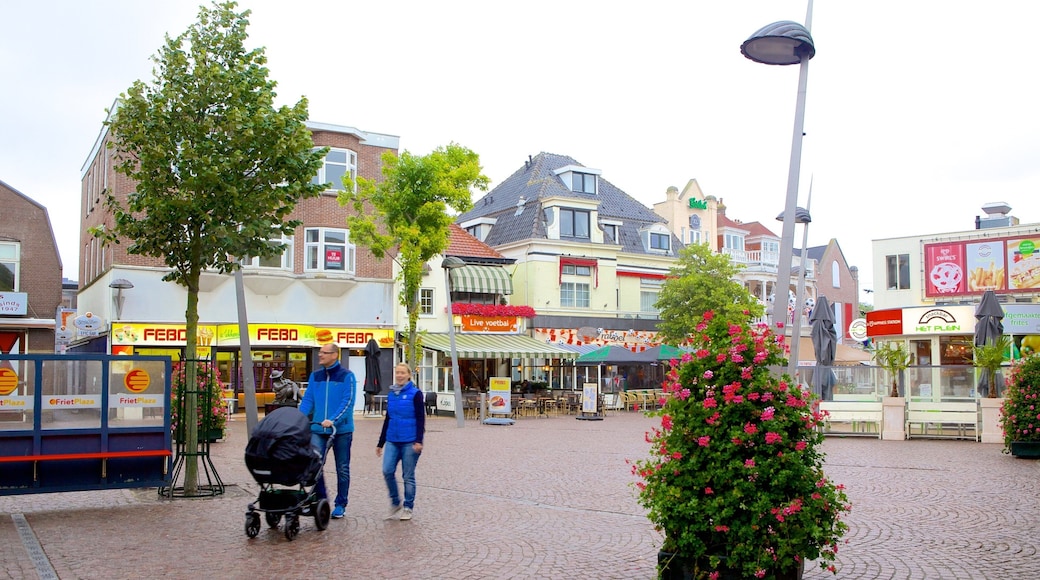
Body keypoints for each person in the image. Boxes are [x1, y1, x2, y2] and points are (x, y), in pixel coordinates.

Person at [299, 344, 356, 520]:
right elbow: (308, 400)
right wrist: (298, 418)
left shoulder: (347, 376)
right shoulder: (315, 376)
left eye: (324, 353)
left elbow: (348, 402)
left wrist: (333, 420)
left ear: (334, 355)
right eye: (320, 352)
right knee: (315, 463)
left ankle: (341, 504)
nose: (320, 355)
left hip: (341, 431)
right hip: (317, 429)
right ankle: (320, 500)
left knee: (342, 468)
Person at [376, 362, 425, 521]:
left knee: (408, 475)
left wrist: (419, 440)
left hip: (410, 441)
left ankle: (408, 507)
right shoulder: (392, 394)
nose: (399, 375)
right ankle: (395, 501)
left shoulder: (416, 394)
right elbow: (388, 418)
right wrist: (380, 442)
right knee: (387, 470)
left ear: (409, 375)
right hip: (392, 439)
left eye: (403, 373)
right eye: (397, 372)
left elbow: (420, 418)